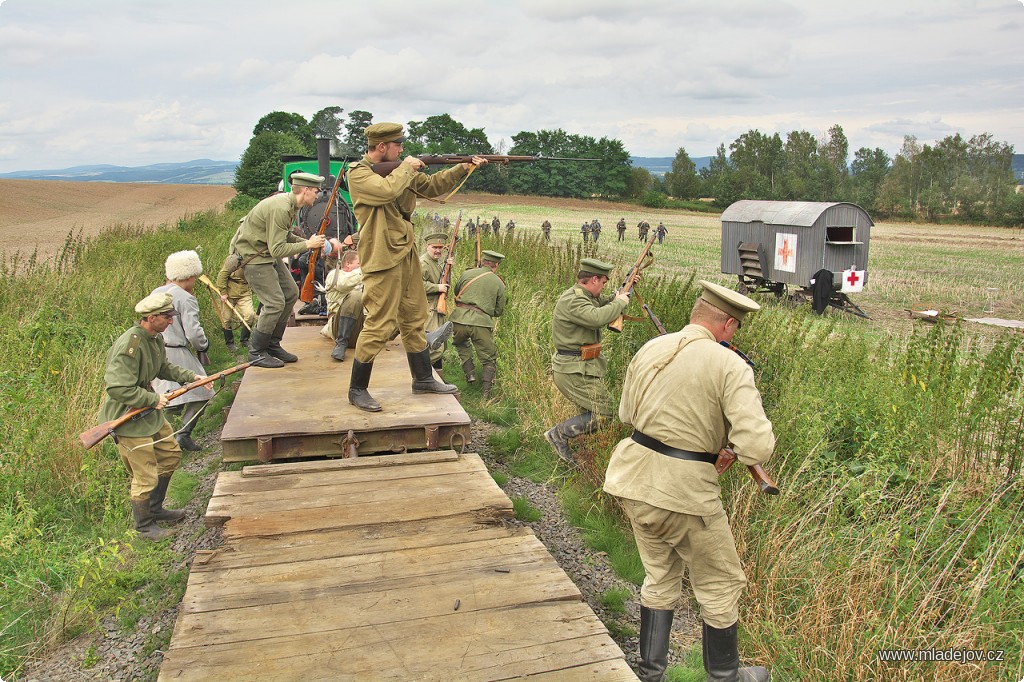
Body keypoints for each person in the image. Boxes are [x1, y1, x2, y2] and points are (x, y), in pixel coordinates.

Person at [603, 280, 773, 682]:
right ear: (729, 324)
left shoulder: (651, 348)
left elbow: (627, 413)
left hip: (632, 478)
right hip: (684, 492)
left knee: (660, 575)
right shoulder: (730, 364)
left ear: (696, 315)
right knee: (720, 583)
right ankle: (726, 677)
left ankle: (650, 672)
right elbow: (757, 446)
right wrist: (730, 447)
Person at [345, 122, 488, 412]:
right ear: (382, 146)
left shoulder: (400, 171)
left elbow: (433, 186)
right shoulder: (359, 174)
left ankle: (422, 378)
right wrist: (407, 167)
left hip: (405, 252)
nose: (402, 150)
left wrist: (462, 167)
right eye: (397, 145)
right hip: (381, 255)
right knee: (379, 322)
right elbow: (385, 192)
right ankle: (357, 389)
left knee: (414, 314)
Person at [97, 292, 203, 540]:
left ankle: (156, 509)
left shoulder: (154, 339)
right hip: (128, 416)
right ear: (151, 317)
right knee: (145, 474)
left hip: (148, 413)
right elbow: (117, 388)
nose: (171, 321)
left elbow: (162, 367)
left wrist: (191, 377)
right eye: (167, 317)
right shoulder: (130, 346)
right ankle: (144, 526)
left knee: (170, 455)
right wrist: (153, 399)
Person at [231, 172, 328, 368]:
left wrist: (311, 243)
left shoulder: (290, 205)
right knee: (274, 303)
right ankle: (257, 352)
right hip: (254, 258)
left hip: (265, 255)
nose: (317, 196)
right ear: (306, 190)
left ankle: (272, 345)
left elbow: (286, 236)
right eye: (316, 192)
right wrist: (308, 244)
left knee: (291, 293)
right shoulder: (281, 208)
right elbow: (278, 248)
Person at [544, 258, 629, 462]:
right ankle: (558, 435)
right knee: (605, 412)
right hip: (572, 370)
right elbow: (597, 318)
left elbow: (603, 305)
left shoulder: (585, 297)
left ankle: (584, 454)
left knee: (593, 412)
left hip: (580, 368)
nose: (603, 286)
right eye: (603, 282)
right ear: (593, 279)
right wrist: (619, 302)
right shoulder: (573, 300)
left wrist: (623, 292)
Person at [151, 250, 212, 452]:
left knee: (168, 396)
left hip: (156, 349)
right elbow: (194, 333)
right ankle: (178, 437)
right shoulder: (185, 298)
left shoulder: (156, 292)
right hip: (176, 352)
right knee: (202, 391)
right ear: (189, 275)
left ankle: (167, 441)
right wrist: (203, 346)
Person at [449, 250, 507, 399]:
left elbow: (456, 292)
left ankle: (470, 374)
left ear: (483, 261)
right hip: (481, 323)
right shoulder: (498, 282)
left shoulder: (467, 274)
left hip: (459, 319)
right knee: (489, 357)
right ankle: (486, 395)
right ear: (497, 265)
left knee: (460, 344)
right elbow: (499, 310)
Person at [214, 230, 257, 352]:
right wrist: (223, 292)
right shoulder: (233, 260)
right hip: (230, 291)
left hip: (244, 291)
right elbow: (222, 276)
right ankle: (230, 343)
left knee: (250, 315)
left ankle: (244, 340)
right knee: (226, 319)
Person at [320, 249, 365, 362]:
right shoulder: (335, 275)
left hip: (363, 329)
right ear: (347, 264)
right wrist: (366, 269)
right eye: (360, 263)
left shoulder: (363, 278)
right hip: (339, 327)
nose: (362, 266)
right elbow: (343, 284)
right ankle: (341, 343)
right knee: (356, 296)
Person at [420, 231, 455, 375]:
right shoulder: (423, 263)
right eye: (435, 247)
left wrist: (449, 267)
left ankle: (436, 377)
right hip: (428, 308)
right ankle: (423, 376)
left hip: (436, 307)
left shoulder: (435, 263)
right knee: (432, 345)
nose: (438, 250)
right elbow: (415, 285)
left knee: (441, 343)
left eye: (440, 248)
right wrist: (437, 288)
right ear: (427, 246)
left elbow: (444, 283)